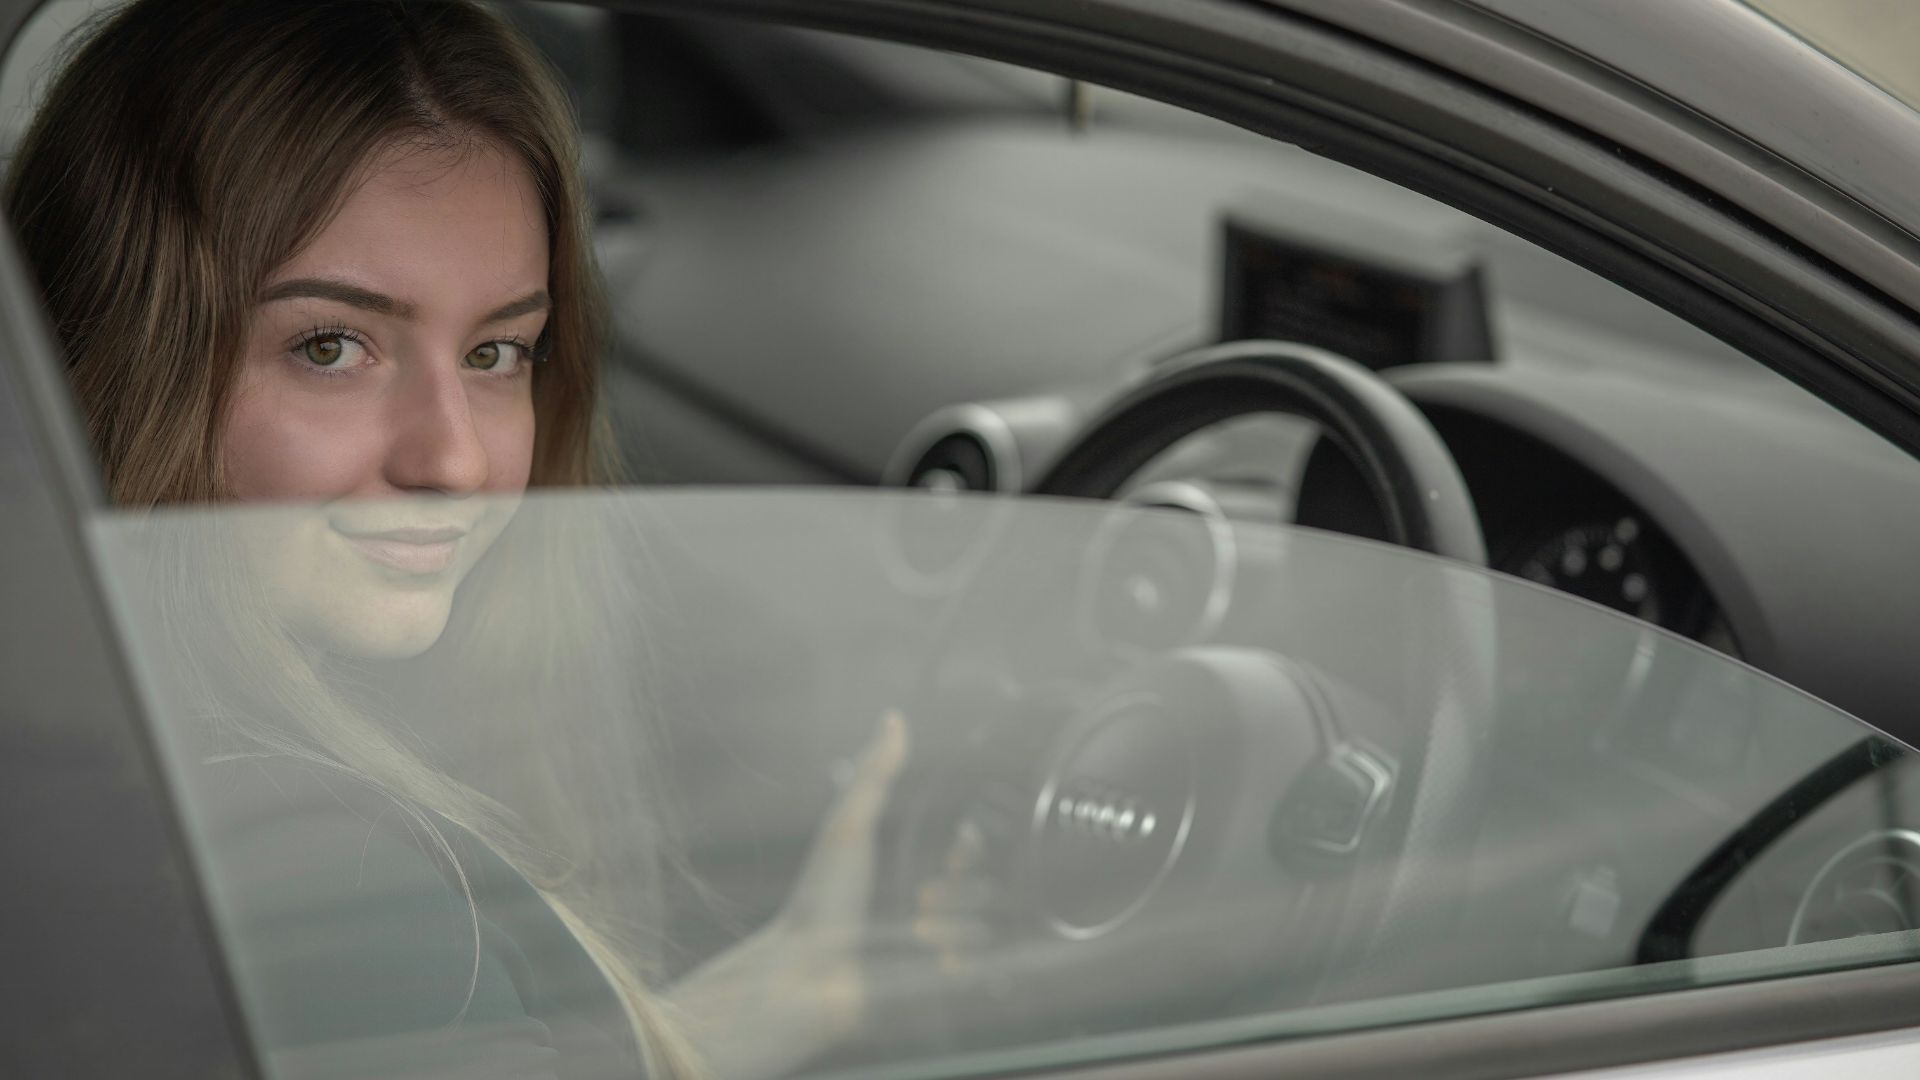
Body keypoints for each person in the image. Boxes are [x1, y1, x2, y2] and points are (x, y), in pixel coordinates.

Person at [5, 1, 914, 1077]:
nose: (455, 461)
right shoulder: (319, 878)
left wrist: (773, 1006)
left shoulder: (101, 778)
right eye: (331, 347)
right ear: (124, 355)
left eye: (497, 354)